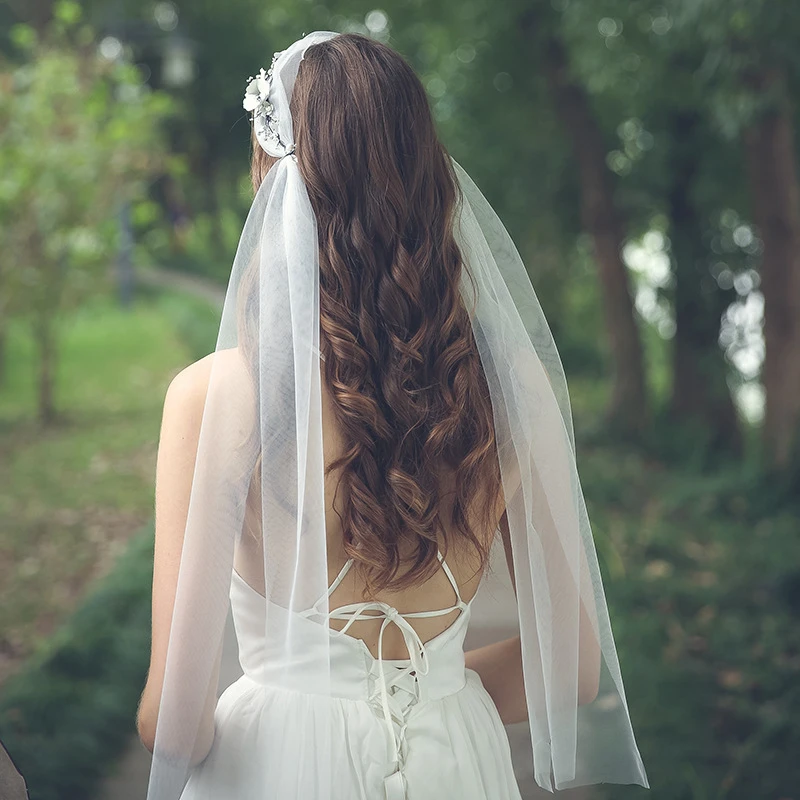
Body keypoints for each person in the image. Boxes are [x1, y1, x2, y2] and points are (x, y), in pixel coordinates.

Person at [136, 31, 649, 800]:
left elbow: (173, 726)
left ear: (273, 179)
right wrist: (426, 689)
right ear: (428, 176)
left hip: (276, 768)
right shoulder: (513, 389)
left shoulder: (216, 399)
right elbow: (570, 671)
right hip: (455, 758)